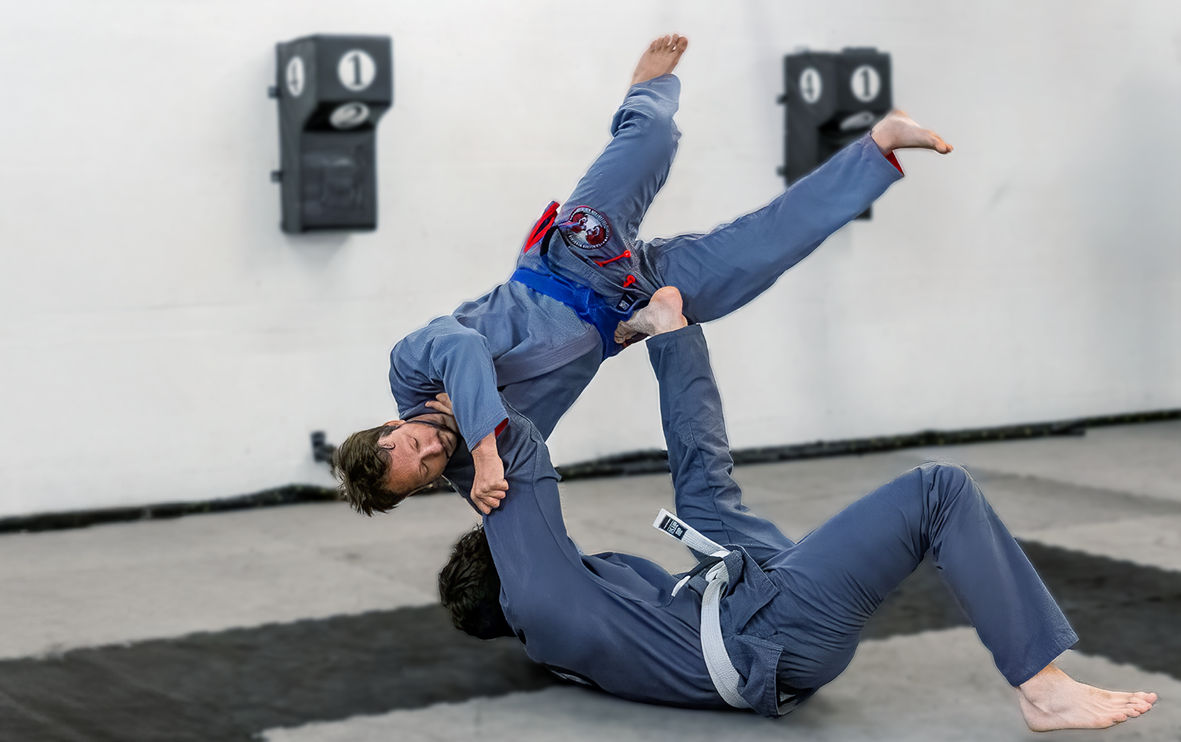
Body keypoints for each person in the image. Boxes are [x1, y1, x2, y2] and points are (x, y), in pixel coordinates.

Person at [436, 287, 1159, 730]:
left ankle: (673, 334)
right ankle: (1041, 686)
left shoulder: (559, 634)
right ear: (510, 569)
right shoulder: (543, 598)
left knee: (705, 498)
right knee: (938, 488)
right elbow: (520, 465)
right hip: (771, 629)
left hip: (741, 606)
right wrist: (460, 423)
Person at [331, 34, 953, 515]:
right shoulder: (477, 476)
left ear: (393, 423)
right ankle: (880, 146)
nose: (433, 450)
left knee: (654, 136)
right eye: (425, 469)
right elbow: (536, 468)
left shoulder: (411, 367)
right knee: (769, 250)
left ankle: (644, 91)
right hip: (626, 307)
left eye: (412, 444)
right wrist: (490, 488)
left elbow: (465, 347)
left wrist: (485, 450)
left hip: (571, 254)